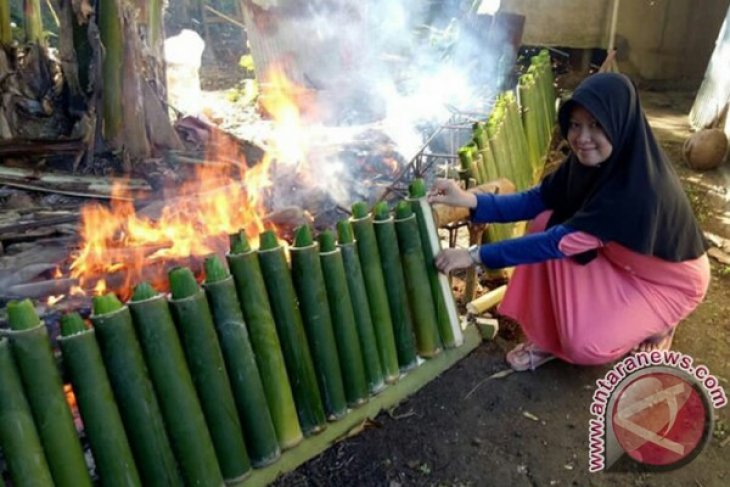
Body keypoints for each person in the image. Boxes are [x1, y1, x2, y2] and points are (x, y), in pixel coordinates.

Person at [428, 72, 710, 371]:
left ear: (619, 124)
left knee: (585, 345)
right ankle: (549, 339)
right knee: (544, 220)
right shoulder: (590, 162)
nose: (582, 137)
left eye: (596, 125)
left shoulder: (635, 192)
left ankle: (663, 322)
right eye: (575, 124)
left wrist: (472, 256)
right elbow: (535, 200)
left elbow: (556, 244)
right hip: (619, 259)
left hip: (668, 282)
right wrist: (467, 200)